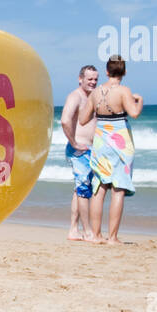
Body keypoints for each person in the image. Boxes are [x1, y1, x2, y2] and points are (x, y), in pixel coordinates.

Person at [79, 54, 143, 244]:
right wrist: (139, 100)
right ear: (123, 72)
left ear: (107, 71)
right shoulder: (124, 90)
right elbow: (134, 113)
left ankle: (96, 235)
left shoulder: (96, 92)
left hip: (101, 141)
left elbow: (82, 120)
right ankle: (112, 237)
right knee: (119, 188)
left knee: (100, 187)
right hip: (120, 142)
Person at [60, 65, 98, 240]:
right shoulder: (75, 97)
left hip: (89, 149)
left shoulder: (93, 97)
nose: (93, 82)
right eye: (90, 79)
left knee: (79, 189)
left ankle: (73, 230)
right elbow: (65, 120)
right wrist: (74, 143)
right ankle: (87, 231)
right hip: (79, 151)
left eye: (96, 79)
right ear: (80, 79)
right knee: (84, 191)